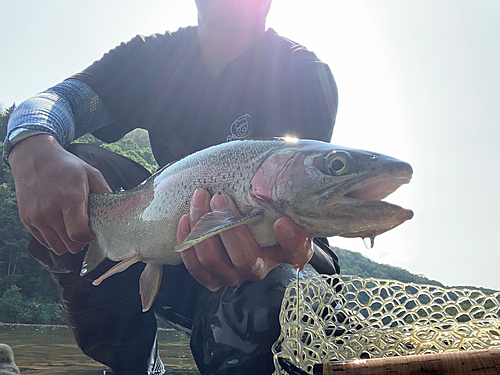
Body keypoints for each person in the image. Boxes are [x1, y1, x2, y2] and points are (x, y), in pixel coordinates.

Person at [3, 1, 340, 374]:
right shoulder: (151, 57)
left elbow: (300, 201)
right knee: (74, 174)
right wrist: (31, 140)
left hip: (275, 259)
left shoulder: (302, 73)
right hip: (162, 242)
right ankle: (135, 366)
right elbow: (57, 101)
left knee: (272, 303)